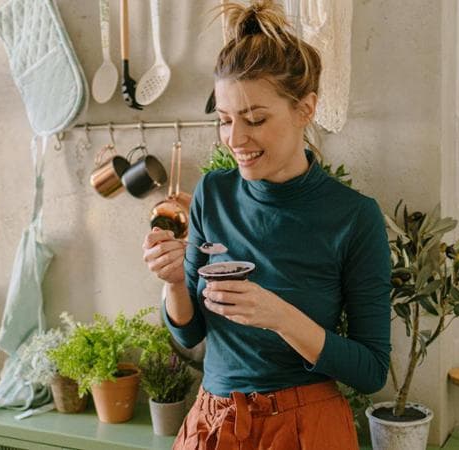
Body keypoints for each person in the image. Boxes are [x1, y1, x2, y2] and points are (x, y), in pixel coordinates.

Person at [142, 1, 390, 448]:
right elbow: (191, 333)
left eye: (255, 119)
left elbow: (371, 370)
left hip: (304, 428)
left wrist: (279, 317)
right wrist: (176, 283)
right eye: (224, 120)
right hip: (213, 422)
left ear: (306, 109)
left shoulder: (352, 217)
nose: (236, 139)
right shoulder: (212, 195)